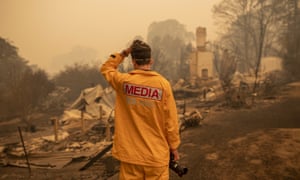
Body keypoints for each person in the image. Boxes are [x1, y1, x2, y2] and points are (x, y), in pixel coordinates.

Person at [100, 40, 181, 179]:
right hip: (157, 156)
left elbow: (106, 68)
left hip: (130, 157)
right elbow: (171, 121)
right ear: (151, 60)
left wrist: (124, 53)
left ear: (133, 61)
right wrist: (173, 146)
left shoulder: (123, 82)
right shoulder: (163, 85)